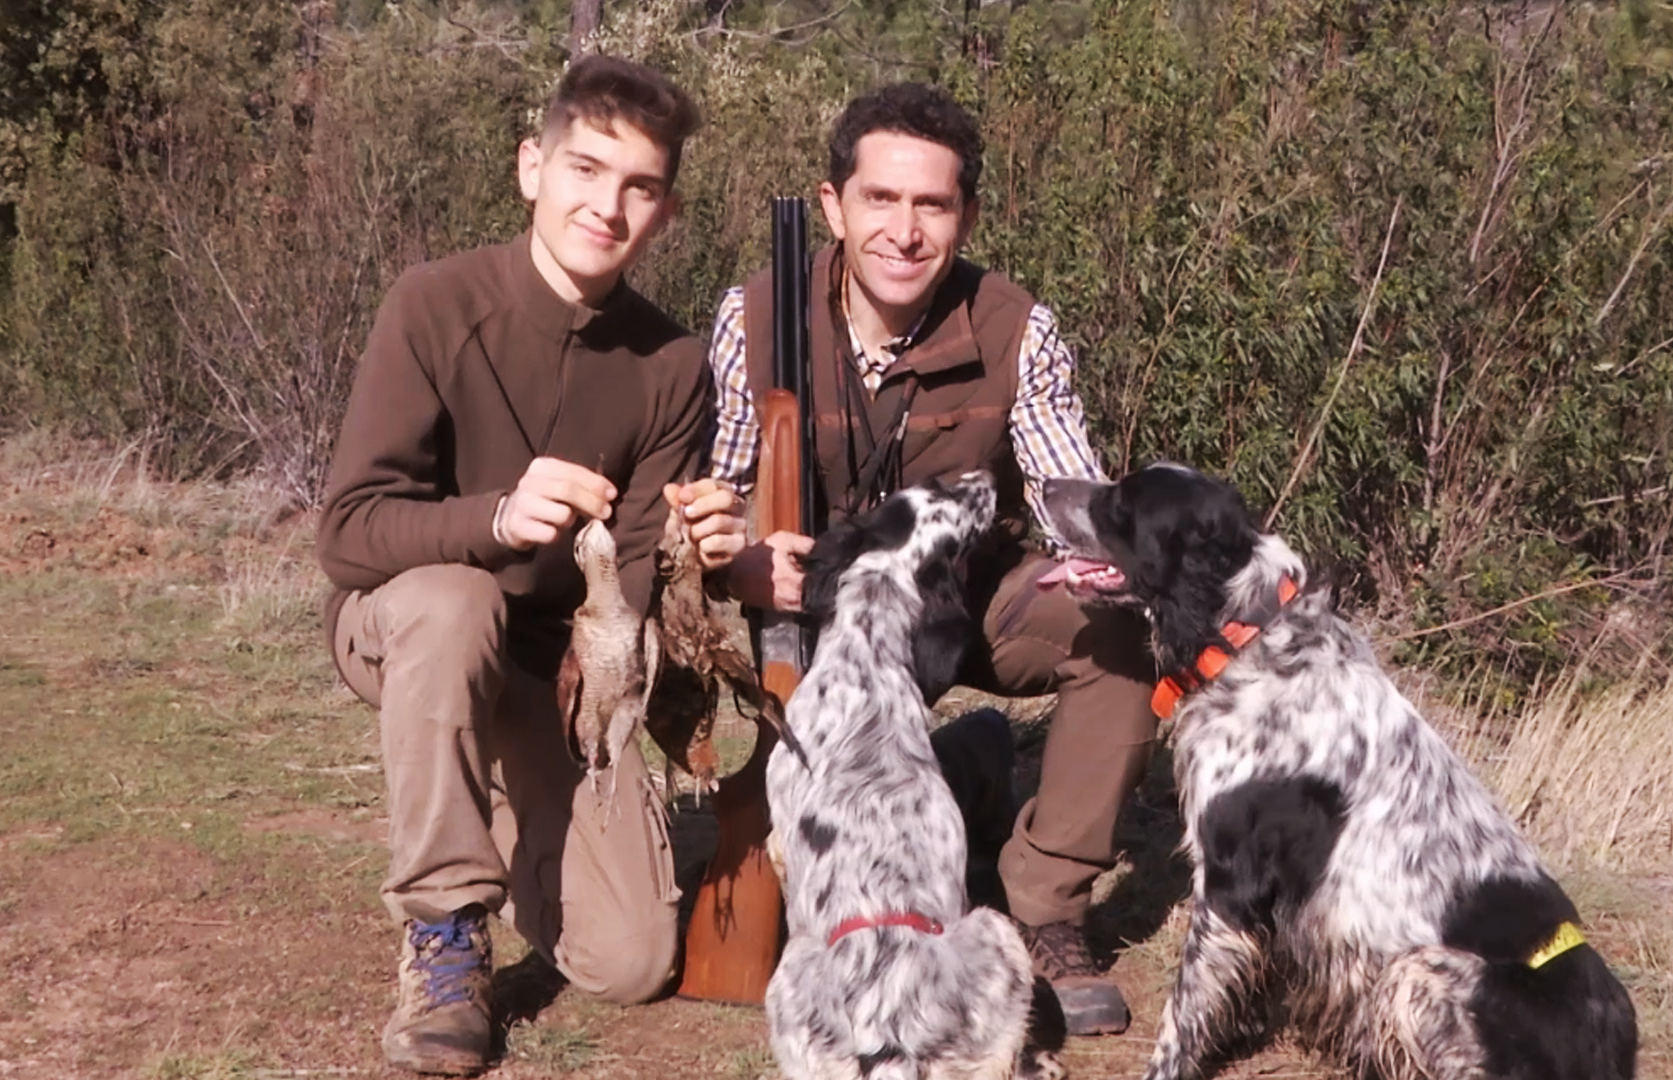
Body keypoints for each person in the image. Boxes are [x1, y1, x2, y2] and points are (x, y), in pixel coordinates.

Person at [316, 55, 746, 1076]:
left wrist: (704, 558)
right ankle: (445, 932)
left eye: (639, 186)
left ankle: (498, 787)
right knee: (457, 602)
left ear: (667, 211)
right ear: (530, 168)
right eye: (586, 170)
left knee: (631, 960)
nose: (607, 205)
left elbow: (633, 589)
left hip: (554, 671)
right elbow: (347, 532)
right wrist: (501, 517)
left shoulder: (672, 366)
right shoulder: (432, 304)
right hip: (409, 627)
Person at [704, 82, 1158, 1037]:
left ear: (967, 216)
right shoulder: (751, 319)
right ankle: (966, 769)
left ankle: (1044, 905)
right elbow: (715, 491)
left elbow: (1067, 489)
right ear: (833, 206)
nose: (904, 232)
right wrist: (739, 563)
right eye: (880, 199)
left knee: (1115, 627)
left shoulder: (1015, 328)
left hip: (963, 610)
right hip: (810, 628)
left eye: (932, 205)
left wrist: (1139, 570)